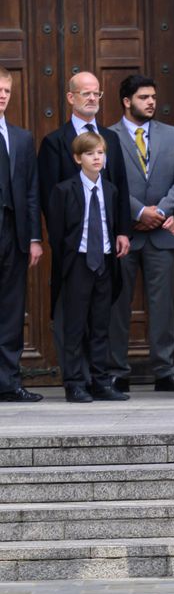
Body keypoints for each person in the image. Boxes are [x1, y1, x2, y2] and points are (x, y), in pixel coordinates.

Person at [37, 71, 130, 387]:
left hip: (104, 247)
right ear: (71, 98)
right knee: (75, 318)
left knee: (101, 317)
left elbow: (120, 188)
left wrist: (123, 231)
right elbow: (50, 199)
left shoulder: (112, 140)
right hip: (75, 249)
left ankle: (101, 380)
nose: (92, 98)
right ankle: (76, 379)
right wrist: (62, 243)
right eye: (86, 93)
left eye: (97, 94)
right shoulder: (55, 142)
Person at [110, 74, 174, 394]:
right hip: (125, 234)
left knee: (162, 305)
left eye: (153, 96)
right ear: (127, 102)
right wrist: (139, 212)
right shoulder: (109, 136)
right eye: (144, 97)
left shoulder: (171, 135)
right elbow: (109, 180)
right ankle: (115, 370)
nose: (152, 102)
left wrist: (162, 212)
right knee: (117, 305)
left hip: (162, 234)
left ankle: (165, 371)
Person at [0, 66, 44, 404]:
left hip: (13, 236)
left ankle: (9, 382)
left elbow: (31, 192)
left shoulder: (21, 137)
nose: (2, 95)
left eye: (6, 90)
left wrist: (33, 238)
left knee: (12, 311)